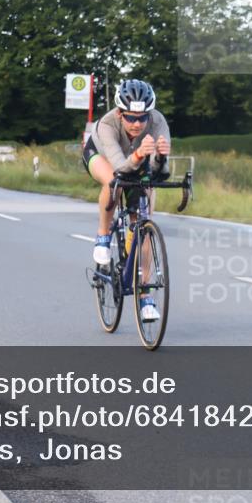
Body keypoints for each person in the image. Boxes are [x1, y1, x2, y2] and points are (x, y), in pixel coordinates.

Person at [81, 79, 170, 322]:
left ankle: (146, 296)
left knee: (144, 220)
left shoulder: (158, 122)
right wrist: (141, 154)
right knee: (113, 183)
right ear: (120, 113)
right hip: (102, 155)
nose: (138, 123)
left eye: (143, 117)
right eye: (131, 117)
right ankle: (102, 236)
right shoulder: (107, 125)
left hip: (136, 162)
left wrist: (160, 157)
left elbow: (160, 172)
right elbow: (121, 167)